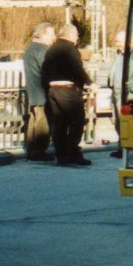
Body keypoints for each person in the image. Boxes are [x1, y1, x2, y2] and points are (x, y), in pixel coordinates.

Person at [41, 24, 92, 166]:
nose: (77, 38)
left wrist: (48, 88)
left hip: (53, 90)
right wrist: (89, 83)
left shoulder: (51, 50)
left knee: (59, 124)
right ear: (71, 35)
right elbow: (77, 68)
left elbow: (44, 71)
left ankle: (61, 155)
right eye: (76, 35)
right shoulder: (70, 49)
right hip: (68, 90)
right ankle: (73, 153)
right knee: (77, 122)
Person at [22, 22, 56, 161]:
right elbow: (47, 68)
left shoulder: (29, 48)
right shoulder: (41, 49)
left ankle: (31, 149)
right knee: (43, 122)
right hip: (42, 91)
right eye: (51, 33)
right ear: (41, 34)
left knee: (34, 120)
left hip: (33, 91)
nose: (54, 37)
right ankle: (39, 151)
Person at [107, 30, 126, 159]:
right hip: (115, 91)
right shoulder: (118, 54)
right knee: (116, 120)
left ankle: (124, 147)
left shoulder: (130, 55)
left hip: (123, 92)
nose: (116, 43)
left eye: (118, 41)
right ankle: (121, 145)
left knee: (122, 120)